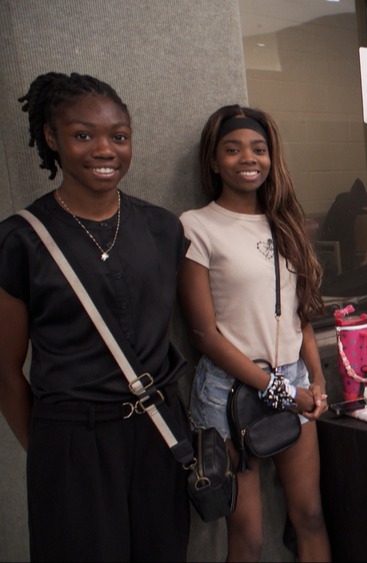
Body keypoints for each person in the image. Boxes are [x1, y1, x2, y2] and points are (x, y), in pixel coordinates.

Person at [0, 72, 190, 561]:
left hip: (157, 432)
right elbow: (6, 369)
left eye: (118, 137)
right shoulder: (21, 239)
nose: (105, 150)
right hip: (71, 440)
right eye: (83, 135)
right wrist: (51, 450)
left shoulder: (162, 228)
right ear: (51, 137)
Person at [179, 105, 332, 561]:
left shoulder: (285, 221)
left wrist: (316, 380)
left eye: (258, 149)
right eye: (233, 149)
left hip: (294, 380)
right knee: (248, 538)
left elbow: (301, 314)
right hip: (229, 390)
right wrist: (284, 392)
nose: (248, 158)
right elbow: (204, 335)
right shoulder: (196, 226)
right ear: (214, 161)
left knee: (310, 516)